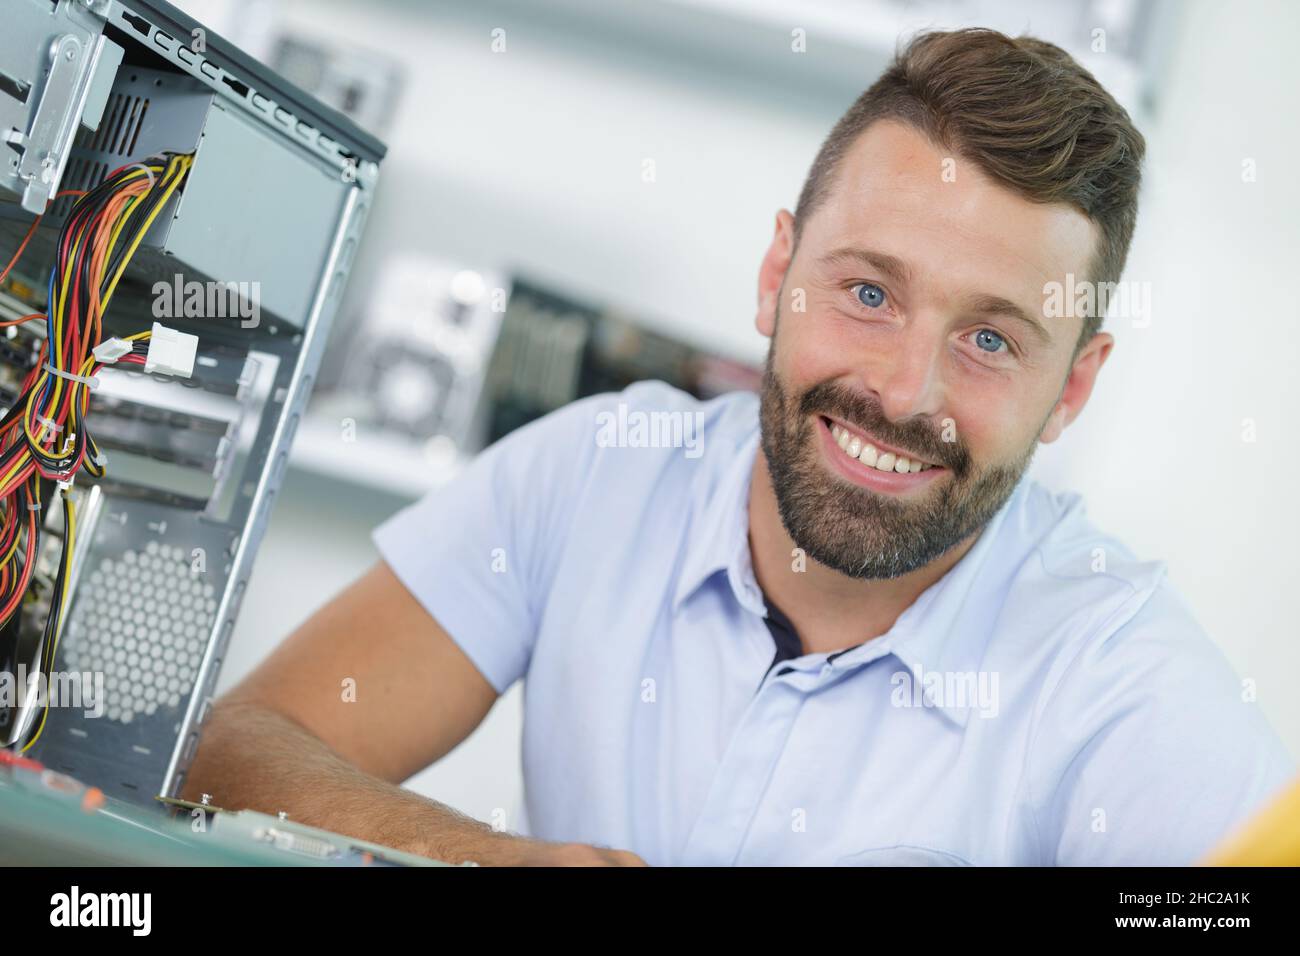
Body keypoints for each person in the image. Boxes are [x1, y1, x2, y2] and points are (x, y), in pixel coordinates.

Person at [183, 27, 1294, 865]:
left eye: (992, 338)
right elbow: (235, 744)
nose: (904, 392)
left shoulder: (1127, 682)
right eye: (866, 290)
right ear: (776, 275)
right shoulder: (596, 472)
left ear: (1072, 388)